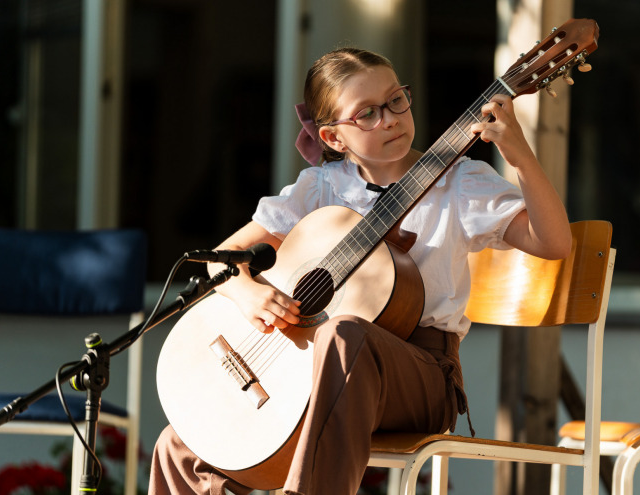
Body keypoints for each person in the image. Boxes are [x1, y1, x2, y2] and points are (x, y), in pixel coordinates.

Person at [148, 47, 572, 495]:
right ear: (333, 139)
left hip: (422, 376)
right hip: (316, 375)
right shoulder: (321, 188)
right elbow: (222, 258)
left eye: (395, 101)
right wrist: (248, 294)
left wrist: (522, 157)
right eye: (366, 113)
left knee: (345, 332)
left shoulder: (459, 182)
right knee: (182, 446)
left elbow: (554, 243)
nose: (389, 118)